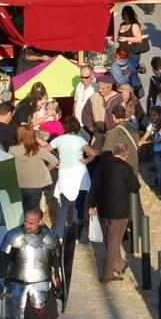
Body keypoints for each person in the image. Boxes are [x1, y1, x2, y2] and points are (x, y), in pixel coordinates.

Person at [0, 208, 64, 319]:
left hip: (43, 286)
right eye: (26, 221)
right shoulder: (14, 236)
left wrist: (59, 284)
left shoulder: (51, 238)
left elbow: (57, 264)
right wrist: (2, 275)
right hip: (17, 286)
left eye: (31, 223)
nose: (27, 225)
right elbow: (2, 258)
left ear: (40, 221)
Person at [87, 142, 140, 282]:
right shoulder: (125, 167)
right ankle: (107, 274)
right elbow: (135, 187)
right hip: (119, 211)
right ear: (126, 154)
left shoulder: (102, 166)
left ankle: (119, 264)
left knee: (109, 240)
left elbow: (94, 186)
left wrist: (91, 204)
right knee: (114, 243)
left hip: (103, 209)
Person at [50, 117, 98, 236]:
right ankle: (76, 235)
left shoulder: (59, 140)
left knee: (63, 206)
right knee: (78, 206)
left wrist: (55, 161)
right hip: (79, 173)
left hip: (65, 173)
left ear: (65, 127)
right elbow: (92, 153)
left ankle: (59, 235)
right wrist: (87, 160)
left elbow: (45, 150)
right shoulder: (80, 140)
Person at [9, 125, 59, 213]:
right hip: (36, 186)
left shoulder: (12, 150)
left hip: (18, 184)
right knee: (32, 211)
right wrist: (46, 169)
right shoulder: (37, 150)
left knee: (20, 211)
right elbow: (54, 160)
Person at [116, 5, 147, 87]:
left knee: (131, 71)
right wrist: (118, 39)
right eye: (122, 14)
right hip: (122, 53)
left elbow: (139, 39)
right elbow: (119, 36)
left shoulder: (134, 25)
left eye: (124, 14)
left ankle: (136, 88)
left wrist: (126, 39)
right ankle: (129, 87)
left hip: (132, 53)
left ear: (129, 14)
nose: (122, 16)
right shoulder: (122, 25)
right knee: (124, 71)